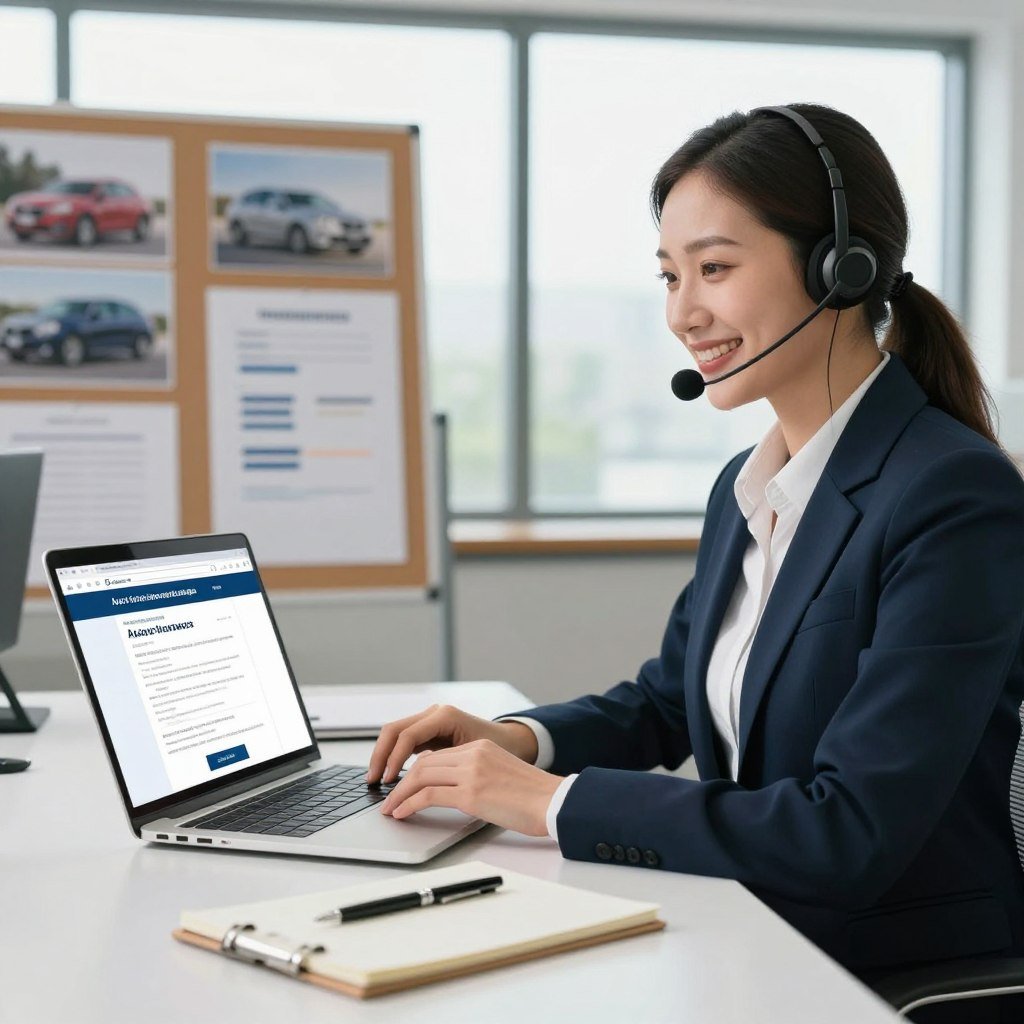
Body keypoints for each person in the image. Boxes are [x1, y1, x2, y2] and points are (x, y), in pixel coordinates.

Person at [366, 104, 1024, 995]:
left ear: (841, 267)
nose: (683, 313)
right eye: (669, 276)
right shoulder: (746, 488)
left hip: (893, 975)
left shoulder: (953, 496)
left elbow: (851, 830)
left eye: (713, 268)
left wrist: (549, 805)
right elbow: (673, 699)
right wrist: (522, 740)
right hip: (749, 933)